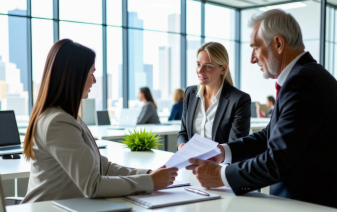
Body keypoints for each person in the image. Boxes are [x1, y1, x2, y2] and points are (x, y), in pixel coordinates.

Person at [186, 9, 337, 208]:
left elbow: (276, 161)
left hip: (308, 204)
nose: (252, 58)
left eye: (255, 48)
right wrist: (223, 151)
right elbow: (269, 136)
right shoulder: (303, 76)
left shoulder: (302, 82)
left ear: (278, 44)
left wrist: (219, 174)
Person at [21, 39, 178, 203]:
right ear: (75, 77)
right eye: (91, 73)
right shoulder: (58, 122)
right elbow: (93, 186)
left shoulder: (67, 117)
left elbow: (103, 167)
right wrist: (151, 182)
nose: (94, 81)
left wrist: (148, 174)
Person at [177, 42, 251, 150]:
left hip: (218, 165)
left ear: (223, 69)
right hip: (190, 163)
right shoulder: (190, 93)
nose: (200, 71)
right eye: (198, 64)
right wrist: (181, 146)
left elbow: (236, 147)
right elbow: (183, 133)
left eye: (208, 66)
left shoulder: (239, 100)